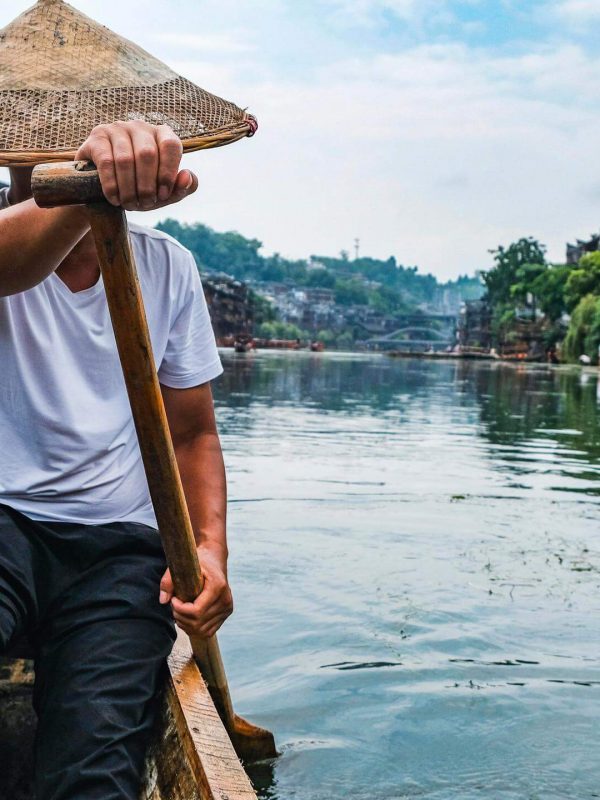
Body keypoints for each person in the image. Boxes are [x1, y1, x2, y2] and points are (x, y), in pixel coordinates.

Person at [0, 1, 256, 798]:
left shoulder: (167, 267)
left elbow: (191, 436)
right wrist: (83, 196)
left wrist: (209, 551)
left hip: (117, 551)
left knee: (95, 767)